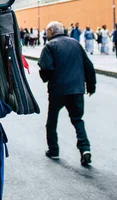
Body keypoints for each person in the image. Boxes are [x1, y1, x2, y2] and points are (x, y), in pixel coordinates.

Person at [38, 21, 96, 166]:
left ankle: (54, 150)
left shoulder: (50, 46)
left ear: (51, 30)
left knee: (52, 121)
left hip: (58, 89)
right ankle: (85, 149)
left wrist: (46, 78)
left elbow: (46, 68)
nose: (46, 34)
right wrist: (91, 85)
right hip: (76, 89)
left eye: (47, 31)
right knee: (77, 120)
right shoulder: (75, 43)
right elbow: (89, 66)